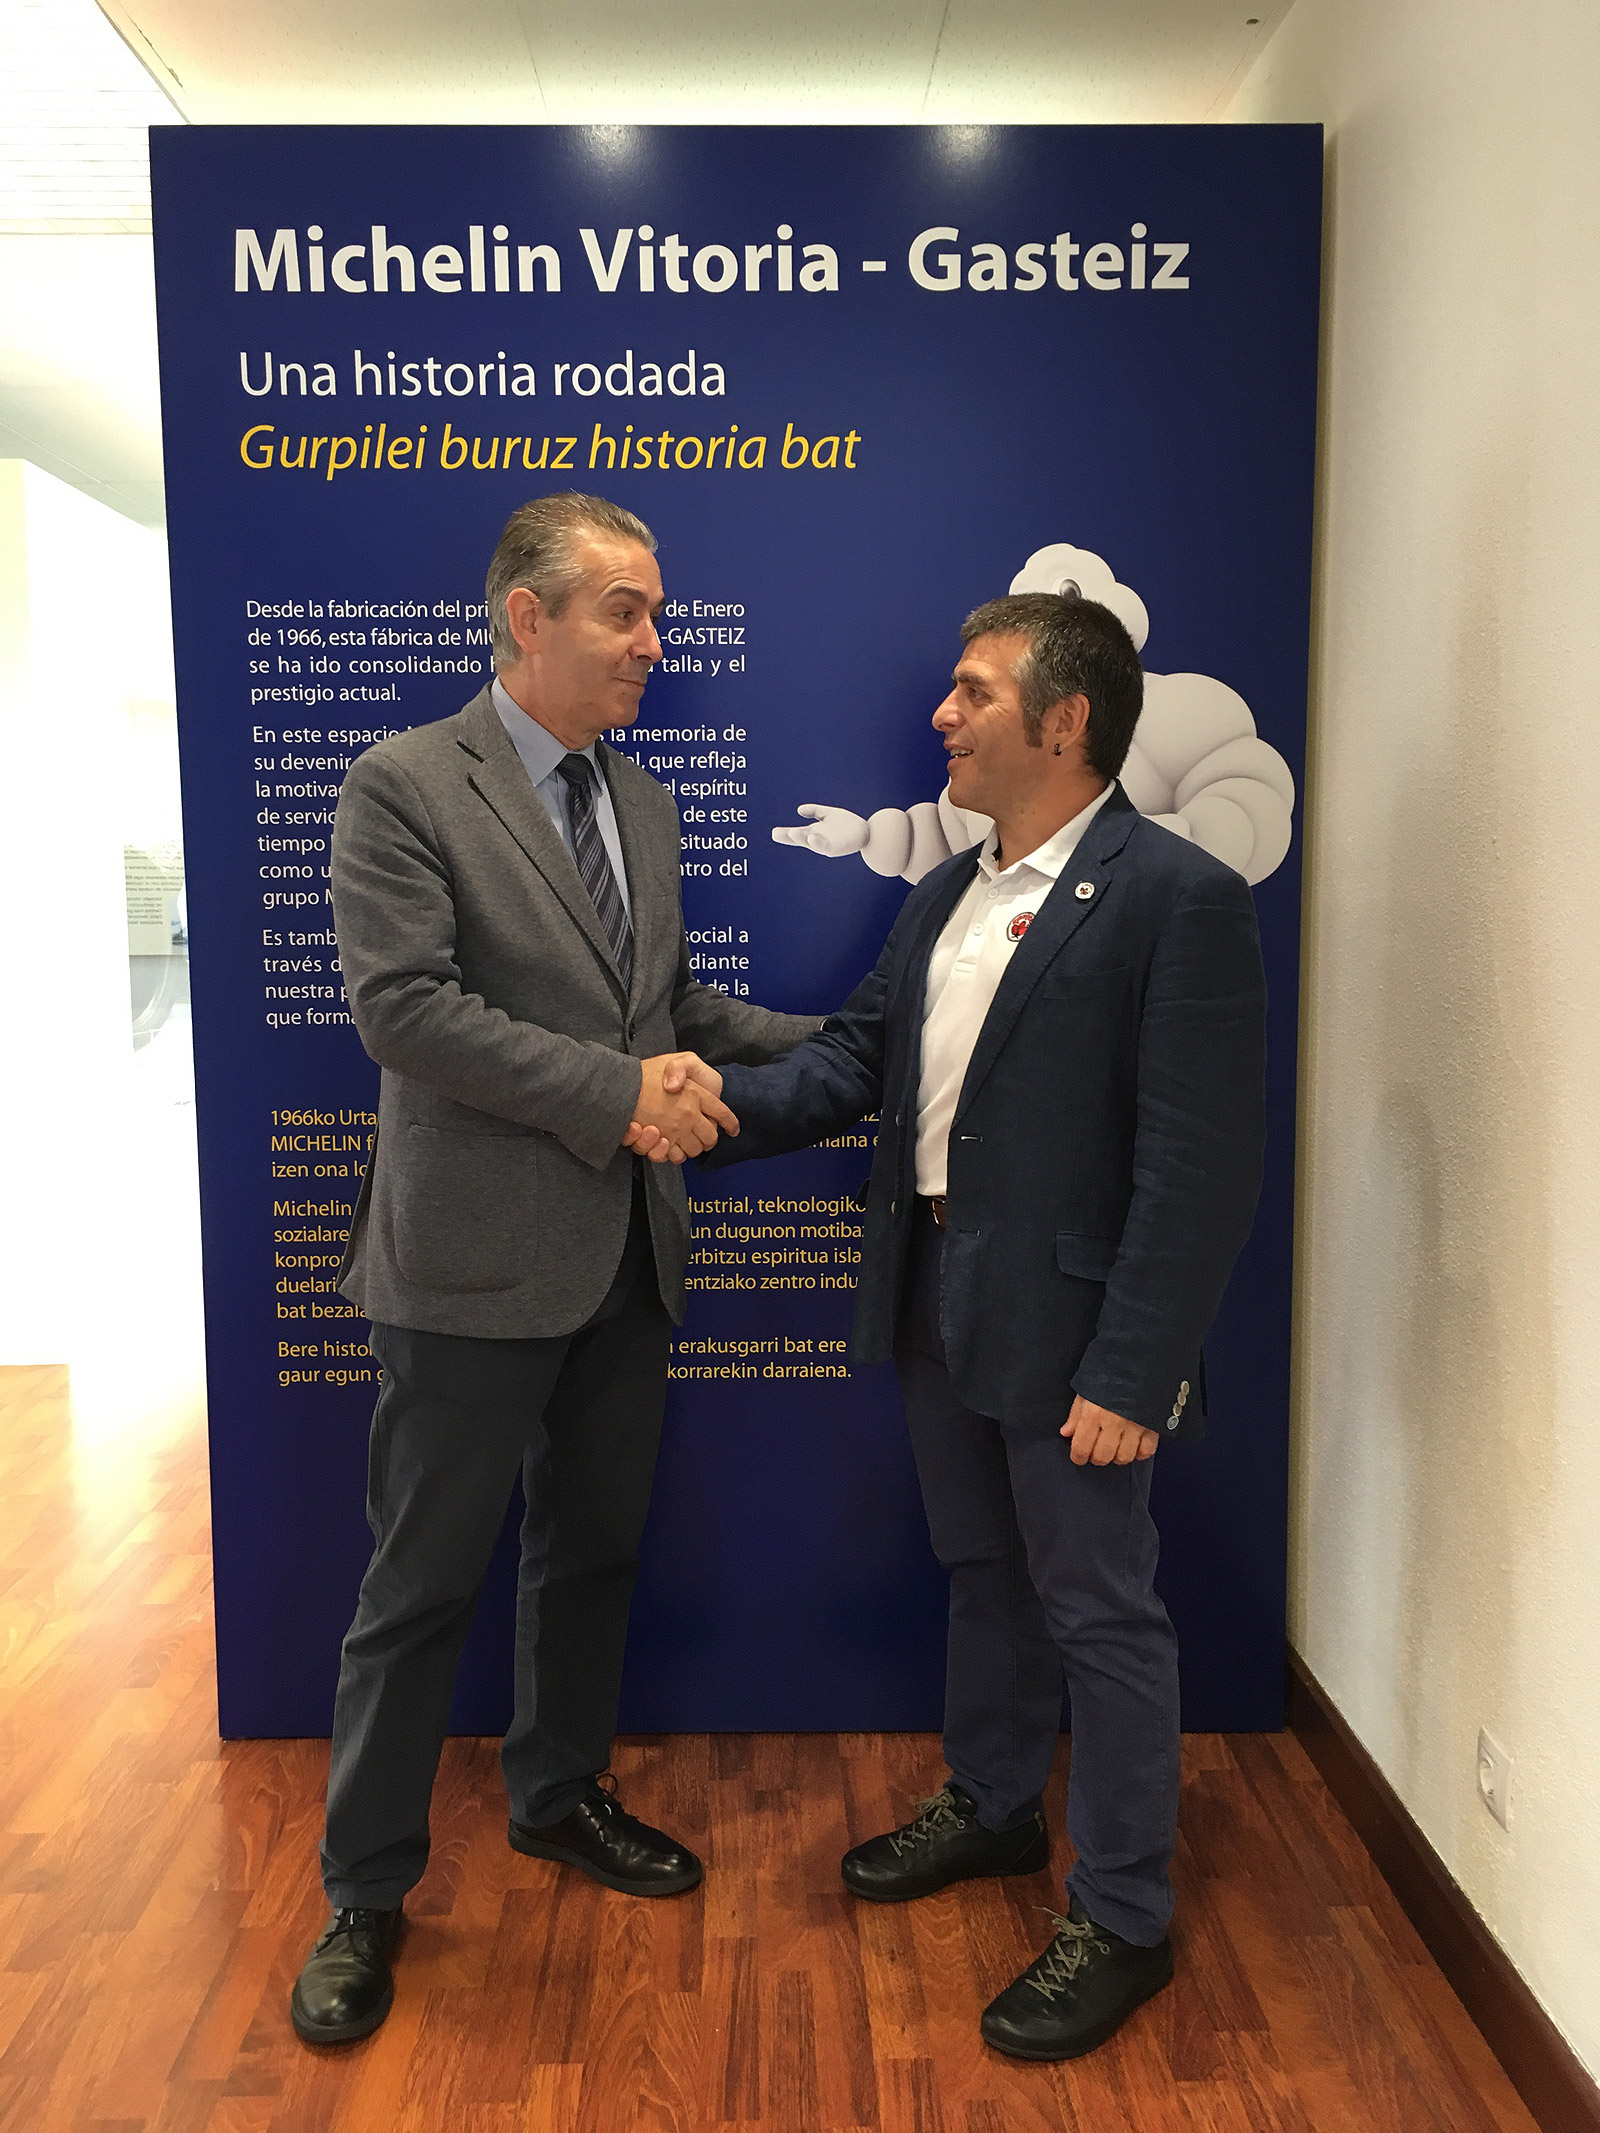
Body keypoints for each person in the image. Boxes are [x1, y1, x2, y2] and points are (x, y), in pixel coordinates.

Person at [689, 590, 1268, 2062]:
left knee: (1102, 1613)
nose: (940, 715)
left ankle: (1124, 1914)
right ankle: (997, 1806)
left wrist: (1136, 1370)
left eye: (972, 691)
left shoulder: (1177, 895)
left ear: (1064, 722)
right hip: (937, 1296)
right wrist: (700, 1108)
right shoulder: (948, 891)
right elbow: (853, 1066)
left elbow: (1199, 1167)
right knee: (983, 1575)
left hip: (1080, 1336)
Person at [290, 492, 821, 2047]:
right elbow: (405, 1010)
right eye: (625, 611)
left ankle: (556, 1792)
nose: (656, 642)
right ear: (528, 617)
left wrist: (869, 1043)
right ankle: (364, 1890)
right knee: (418, 1589)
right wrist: (622, 1095)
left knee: (589, 1555)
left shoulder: (638, 801)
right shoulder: (403, 783)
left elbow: (670, 1008)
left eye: (657, 613)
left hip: (624, 1259)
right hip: (466, 1268)